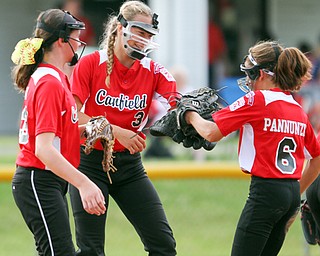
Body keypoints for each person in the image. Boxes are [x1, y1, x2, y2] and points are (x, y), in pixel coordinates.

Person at [182, 40, 320, 256]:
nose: (247, 79)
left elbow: (210, 132)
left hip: (265, 192)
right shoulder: (296, 107)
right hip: (291, 192)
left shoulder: (256, 99)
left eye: (250, 73)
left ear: (263, 74)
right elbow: (317, 158)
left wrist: (189, 115)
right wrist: (294, 194)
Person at [68, 0, 177, 255]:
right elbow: (74, 119)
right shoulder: (90, 63)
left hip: (129, 167)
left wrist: (195, 121)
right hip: (89, 163)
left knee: (163, 245)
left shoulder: (152, 69)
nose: (144, 39)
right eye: (139, 31)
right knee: (91, 250)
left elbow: (178, 100)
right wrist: (116, 132)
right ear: (120, 27)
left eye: (148, 34)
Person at [10, 9, 106, 255]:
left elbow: (56, 136)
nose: (79, 44)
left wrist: (87, 130)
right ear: (62, 40)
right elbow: (43, 149)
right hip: (38, 179)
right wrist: (84, 184)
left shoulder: (56, 78)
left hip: (46, 180)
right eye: (76, 38)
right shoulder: (50, 82)